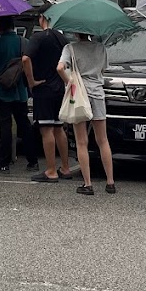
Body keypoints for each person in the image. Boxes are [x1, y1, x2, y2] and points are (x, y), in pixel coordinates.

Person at [58, 31, 115, 195]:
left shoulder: (70, 48)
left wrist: (69, 82)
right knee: (102, 140)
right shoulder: (100, 48)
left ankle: (88, 184)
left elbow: (60, 67)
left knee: (81, 141)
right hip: (98, 94)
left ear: (76, 32)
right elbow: (103, 69)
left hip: (79, 95)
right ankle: (110, 182)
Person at [0, 16, 37, 173]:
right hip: (20, 92)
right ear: (13, 26)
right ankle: (33, 161)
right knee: (24, 126)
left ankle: (4, 162)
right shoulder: (24, 42)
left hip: (2, 91)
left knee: (5, 127)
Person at [27, 13, 73, 182]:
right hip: (60, 88)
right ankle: (66, 168)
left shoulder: (38, 37)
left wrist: (31, 81)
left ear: (42, 17)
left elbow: (25, 59)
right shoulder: (63, 39)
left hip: (43, 88)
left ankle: (51, 170)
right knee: (59, 128)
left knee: (46, 129)